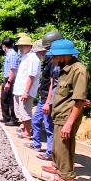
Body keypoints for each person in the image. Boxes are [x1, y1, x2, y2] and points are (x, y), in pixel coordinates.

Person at [42, 40, 89, 181]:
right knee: (59, 148)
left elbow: (79, 100)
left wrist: (69, 124)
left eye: (54, 56)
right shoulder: (65, 68)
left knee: (63, 150)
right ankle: (64, 177)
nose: (52, 59)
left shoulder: (78, 70)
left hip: (67, 118)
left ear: (63, 55)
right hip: (60, 115)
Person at [24, 31, 64, 161]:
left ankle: (50, 153)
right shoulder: (48, 59)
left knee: (48, 126)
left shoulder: (55, 60)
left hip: (49, 98)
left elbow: (54, 83)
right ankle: (36, 144)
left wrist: (48, 102)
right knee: (36, 121)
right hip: (44, 97)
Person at [13, 36, 41, 139]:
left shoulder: (33, 58)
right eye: (20, 46)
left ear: (29, 46)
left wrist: (26, 92)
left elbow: (31, 76)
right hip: (19, 90)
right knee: (20, 112)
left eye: (23, 46)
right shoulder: (25, 56)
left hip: (25, 91)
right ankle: (25, 129)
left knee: (25, 113)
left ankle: (27, 133)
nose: (20, 48)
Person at [0, 38, 20, 126]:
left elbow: (13, 70)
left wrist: (8, 82)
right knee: (4, 99)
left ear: (4, 46)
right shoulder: (9, 54)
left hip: (11, 79)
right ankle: (6, 117)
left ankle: (13, 119)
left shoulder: (12, 54)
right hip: (8, 79)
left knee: (11, 99)